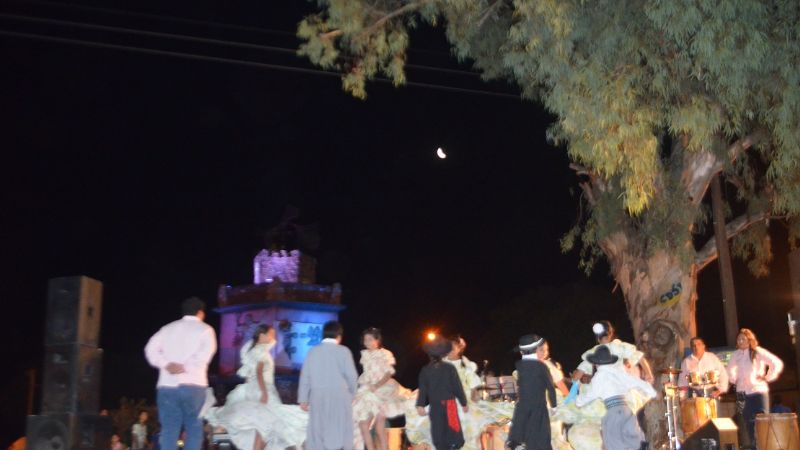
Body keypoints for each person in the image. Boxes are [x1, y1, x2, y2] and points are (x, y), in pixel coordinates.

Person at [205, 324, 307, 450]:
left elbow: (251, 374)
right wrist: (264, 392)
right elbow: (259, 372)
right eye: (271, 334)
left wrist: (252, 387)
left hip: (254, 388)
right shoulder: (261, 352)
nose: (273, 337)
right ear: (262, 335)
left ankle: (219, 428)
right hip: (262, 388)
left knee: (262, 422)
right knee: (271, 420)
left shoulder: (254, 350)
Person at [144, 297, 217, 450]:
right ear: (200, 313)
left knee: (169, 430)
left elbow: (150, 349)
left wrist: (166, 364)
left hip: (167, 385)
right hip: (194, 384)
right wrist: (186, 366)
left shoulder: (167, 328)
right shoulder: (205, 329)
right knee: (193, 428)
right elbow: (205, 354)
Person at [575, 346, 656, 450]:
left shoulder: (599, 377)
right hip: (626, 409)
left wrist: (578, 402)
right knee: (635, 438)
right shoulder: (618, 373)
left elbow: (589, 394)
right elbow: (635, 382)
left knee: (613, 442)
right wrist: (652, 392)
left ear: (596, 364)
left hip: (612, 411)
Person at [298, 321, 359, 450]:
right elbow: (352, 376)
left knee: (318, 431)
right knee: (339, 430)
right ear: (339, 335)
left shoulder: (313, 351)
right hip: (340, 396)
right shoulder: (344, 351)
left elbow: (305, 377)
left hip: (318, 396)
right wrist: (353, 394)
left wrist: (303, 399)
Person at [352, 327, 412, 450]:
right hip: (369, 390)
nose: (367, 342)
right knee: (363, 425)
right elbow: (367, 373)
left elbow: (388, 373)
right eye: (365, 340)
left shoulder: (385, 353)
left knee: (379, 427)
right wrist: (367, 385)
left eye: (370, 339)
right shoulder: (365, 355)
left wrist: (377, 385)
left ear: (377, 340)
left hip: (383, 389)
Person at [727, 328, 784, 447]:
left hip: (758, 392)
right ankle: (754, 447)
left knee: (762, 422)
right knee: (748, 423)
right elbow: (729, 370)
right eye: (738, 339)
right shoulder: (736, 355)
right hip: (742, 394)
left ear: (749, 340)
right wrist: (734, 379)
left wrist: (767, 377)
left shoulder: (757, 351)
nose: (740, 341)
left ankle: (765, 446)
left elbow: (776, 363)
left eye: (743, 339)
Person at [416, 336, 469, 450]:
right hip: (449, 404)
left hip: (435, 405)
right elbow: (457, 387)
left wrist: (420, 405)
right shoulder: (449, 368)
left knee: (438, 431)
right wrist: (464, 403)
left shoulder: (425, 370)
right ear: (443, 354)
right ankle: (454, 446)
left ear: (429, 355)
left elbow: (423, 389)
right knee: (454, 431)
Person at [507, 334, 557, 450]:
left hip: (522, 406)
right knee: (541, 435)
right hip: (538, 406)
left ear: (521, 352)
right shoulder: (542, 367)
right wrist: (554, 406)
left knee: (521, 428)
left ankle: (516, 443)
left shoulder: (519, 365)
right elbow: (550, 387)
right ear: (536, 349)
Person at [572, 321, 653, 384]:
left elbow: (577, 376)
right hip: (622, 386)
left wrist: (574, 380)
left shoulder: (593, 353)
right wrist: (649, 374)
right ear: (611, 333)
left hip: (603, 392)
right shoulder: (619, 346)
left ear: (597, 338)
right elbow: (639, 357)